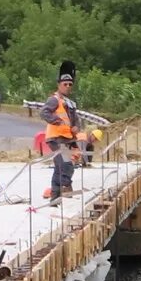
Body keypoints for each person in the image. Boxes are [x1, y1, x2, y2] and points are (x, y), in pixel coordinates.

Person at [39, 63, 84, 200]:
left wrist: (76, 126)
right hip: (56, 138)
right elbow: (44, 112)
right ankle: (65, 186)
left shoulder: (70, 103)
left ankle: (55, 195)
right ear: (59, 85)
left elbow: (76, 119)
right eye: (65, 84)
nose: (68, 87)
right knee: (65, 164)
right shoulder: (54, 99)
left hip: (67, 138)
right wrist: (56, 120)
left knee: (62, 166)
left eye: (70, 84)